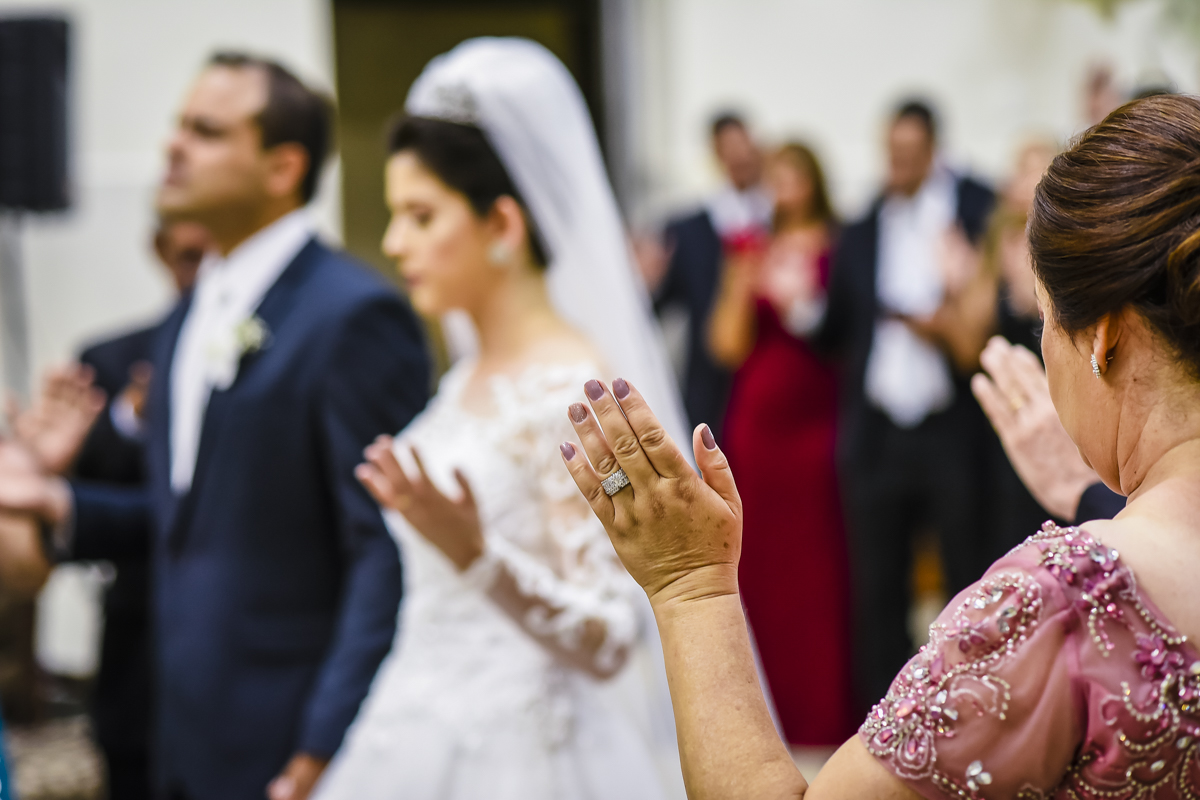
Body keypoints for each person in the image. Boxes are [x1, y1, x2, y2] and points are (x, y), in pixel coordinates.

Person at [558, 92, 1200, 798]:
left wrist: (690, 589)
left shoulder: (1065, 604)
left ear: (1102, 337)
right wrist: (1089, 496)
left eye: (1044, 321)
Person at [0, 52, 430, 800]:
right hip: (178, 729)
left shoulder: (353, 316)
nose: (173, 146)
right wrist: (63, 506)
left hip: (288, 731)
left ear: (281, 167)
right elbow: (193, 518)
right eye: (178, 126)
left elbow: (384, 549)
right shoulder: (192, 315)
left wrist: (327, 742)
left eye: (206, 131)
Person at [310, 38, 688, 800]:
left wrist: (480, 555)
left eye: (420, 216)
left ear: (503, 225)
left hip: (532, 756)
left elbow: (613, 638)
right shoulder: (462, 379)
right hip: (408, 728)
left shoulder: (579, 394)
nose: (394, 244)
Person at [792, 100, 995, 711]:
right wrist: (801, 306)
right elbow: (838, 332)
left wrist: (951, 311)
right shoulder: (861, 227)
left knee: (967, 575)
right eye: (891, 153)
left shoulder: (975, 210)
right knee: (878, 587)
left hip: (950, 428)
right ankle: (885, 725)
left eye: (909, 154)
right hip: (878, 431)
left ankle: (968, 711)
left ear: (933, 149)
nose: (898, 164)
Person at [705, 142, 853, 746]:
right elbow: (725, 344)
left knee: (821, 569)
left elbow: (849, 334)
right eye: (776, 177)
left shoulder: (842, 247)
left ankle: (827, 714)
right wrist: (746, 282)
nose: (785, 187)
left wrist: (805, 305)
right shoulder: (748, 248)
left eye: (794, 175)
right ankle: (770, 713)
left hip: (818, 420)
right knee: (761, 569)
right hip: (759, 426)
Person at [645, 113, 772, 441]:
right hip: (709, 384)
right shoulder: (686, 229)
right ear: (716, 154)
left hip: (768, 376)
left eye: (744, 146)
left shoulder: (781, 218)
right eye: (729, 149)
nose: (740, 157)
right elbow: (662, 303)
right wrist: (647, 281)